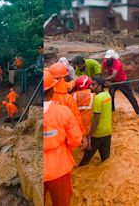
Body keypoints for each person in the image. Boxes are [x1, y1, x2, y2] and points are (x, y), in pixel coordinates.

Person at [43, 70, 82, 206]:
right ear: (51, 90)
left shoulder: (30, 116)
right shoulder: (63, 111)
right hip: (59, 167)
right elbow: (75, 139)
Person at [79, 76, 113, 166]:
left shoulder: (97, 99)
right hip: (108, 132)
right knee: (105, 161)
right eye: (90, 84)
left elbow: (96, 118)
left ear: (100, 86)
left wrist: (89, 136)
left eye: (93, 85)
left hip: (97, 134)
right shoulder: (108, 95)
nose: (90, 87)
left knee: (84, 162)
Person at [48, 63, 87, 137]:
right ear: (61, 78)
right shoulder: (68, 98)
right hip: (64, 135)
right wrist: (83, 134)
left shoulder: (46, 93)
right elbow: (76, 118)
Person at [102, 50, 139, 117]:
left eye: (109, 58)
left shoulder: (117, 63)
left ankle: (138, 112)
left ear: (112, 58)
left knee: (130, 97)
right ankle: (112, 111)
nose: (107, 59)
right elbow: (103, 72)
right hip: (113, 83)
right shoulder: (104, 62)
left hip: (122, 82)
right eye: (106, 58)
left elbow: (113, 76)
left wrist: (103, 80)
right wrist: (105, 81)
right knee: (111, 95)